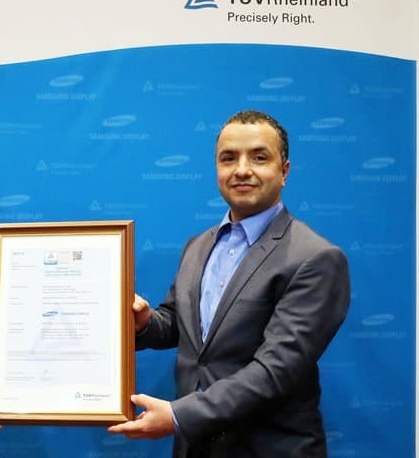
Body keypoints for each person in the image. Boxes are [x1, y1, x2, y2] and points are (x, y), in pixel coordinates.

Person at [109, 110, 350, 457]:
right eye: (228, 158)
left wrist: (178, 416)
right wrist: (145, 323)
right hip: (196, 448)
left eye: (259, 157)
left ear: (284, 171)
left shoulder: (315, 258)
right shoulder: (198, 246)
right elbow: (181, 325)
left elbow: (276, 370)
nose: (241, 170)